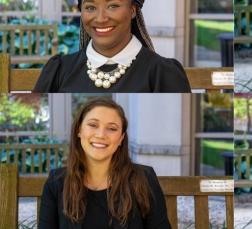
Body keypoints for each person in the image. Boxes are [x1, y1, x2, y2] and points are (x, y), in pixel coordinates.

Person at [34, 0, 192, 93]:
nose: (101, 18)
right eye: (90, 7)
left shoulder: (162, 73)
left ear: (132, 10)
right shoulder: (59, 70)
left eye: (112, 6)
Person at [39, 98, 171, 229]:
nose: (101, 135)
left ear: (121, 138)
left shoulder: (145, 179)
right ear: (79, 130)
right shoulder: (56, 182)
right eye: (93, 125)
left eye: (112, 128)